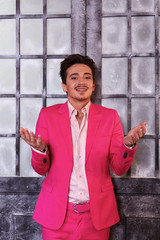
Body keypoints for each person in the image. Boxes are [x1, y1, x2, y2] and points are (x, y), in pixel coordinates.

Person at [20, 54, 146, 240]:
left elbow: (118, 169)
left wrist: (128, 145)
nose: (82, 82)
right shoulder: (47, 116)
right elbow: (41, 169)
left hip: (96, 217)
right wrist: (40, 151)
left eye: (87, 77)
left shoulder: (110, 117)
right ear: (64, 86)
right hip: (56, 215)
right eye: (74, 77)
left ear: (93, 85)